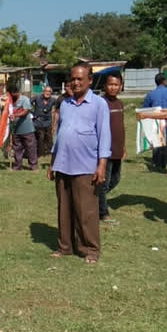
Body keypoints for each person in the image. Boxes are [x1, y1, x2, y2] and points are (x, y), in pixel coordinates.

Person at [47, 62, 110, 263]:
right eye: (72, 79)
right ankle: (65, 246)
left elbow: (104, 136)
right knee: (64, 209)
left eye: (79, 79)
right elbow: (59, 135)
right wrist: (52, 162)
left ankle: (90, 249)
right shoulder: (65, 104)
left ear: (90, 80)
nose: (75, 83)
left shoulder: (99, 104)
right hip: (63, 164)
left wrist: (101, 165)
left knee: (86, 211)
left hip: (86, 165)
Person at [98, 73, 125, 223]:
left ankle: (95, 199)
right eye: (110, 84)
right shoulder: (101, 103)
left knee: (115, 179)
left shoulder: (120, 103)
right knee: (104, 181)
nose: (113, 87)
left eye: (116, 85)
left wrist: (123, 147)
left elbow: (121, 126)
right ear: (105, 86)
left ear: (120, 86)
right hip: (105, 150)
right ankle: (103, 212)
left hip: (117, 149)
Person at [143, 73, 167, 171]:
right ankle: (162, 164)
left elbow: (145, 109)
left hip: (155, 122)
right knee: (166, 145)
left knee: (156, 143)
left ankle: (156, 162)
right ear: (165, 81)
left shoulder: (151, 94)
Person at [8, 82, 37, 171]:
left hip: (27, 128)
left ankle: (33, 165)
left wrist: (15, 115)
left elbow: (25, 111)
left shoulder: (24, 99)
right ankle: (17, 165)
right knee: (17, 148)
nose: (11, 95)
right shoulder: (9, 101)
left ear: (16, 92)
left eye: (12, 93)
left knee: (30, 148)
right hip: (16, 129)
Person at [32, 85, 55, 157]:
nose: (47, 93)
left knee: (49, 137)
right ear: (43, 91)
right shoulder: (37, 97)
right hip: (38, 121)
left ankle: (49, 152)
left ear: (51, 93)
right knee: (40, 137)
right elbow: (28, 103)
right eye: (46, 91)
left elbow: (59, 106)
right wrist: (32, 113)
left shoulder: (53, 100)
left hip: (48, 121)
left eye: (49, 91)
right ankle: (39, 152)